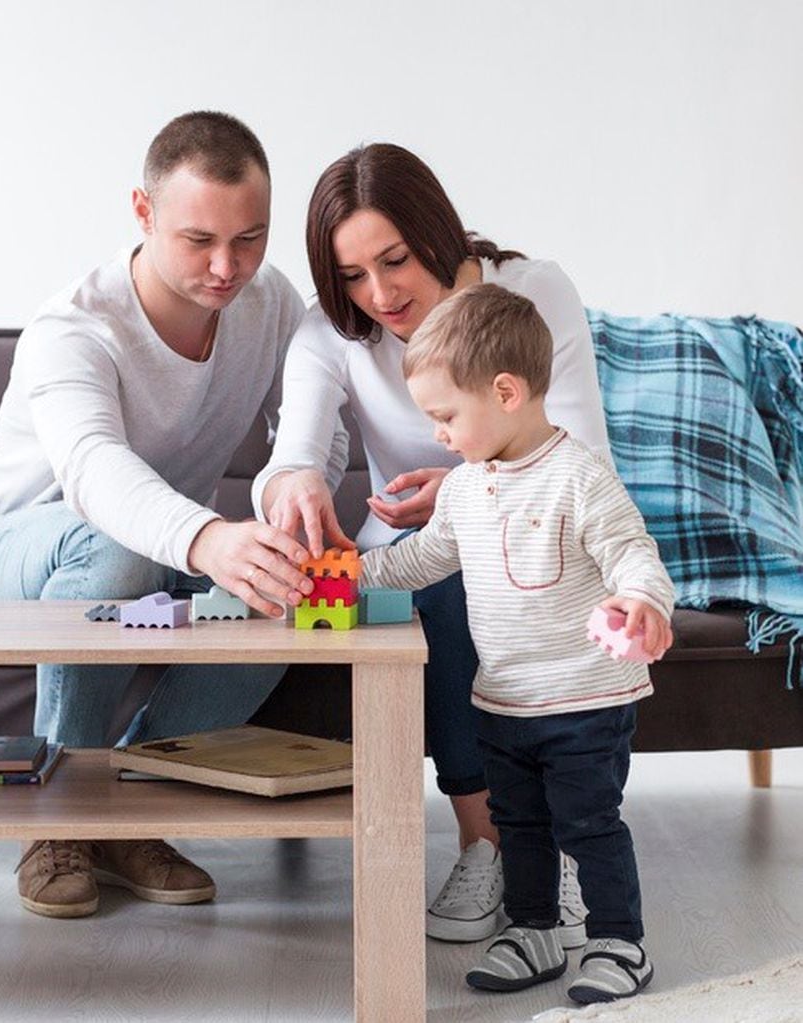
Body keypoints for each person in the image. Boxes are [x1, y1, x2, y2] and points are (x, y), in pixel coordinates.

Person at [0, 111, 346, 919]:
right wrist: (208, 536)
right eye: (198, 240)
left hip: (148, 548)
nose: (226, 266)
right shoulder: (74, 327)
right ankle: (58, 817)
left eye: (249, 239)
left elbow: (312, 430)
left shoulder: (268, 306)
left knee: (285, 592)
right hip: (12, 553)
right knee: (113, 548)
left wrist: (284, 500)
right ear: (142, 212)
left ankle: (133, 805)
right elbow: (94, 475)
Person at [253, 143, 613, 945]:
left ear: (436, 232)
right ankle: (489, 841)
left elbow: (582, 452)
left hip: (540, 532)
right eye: (350, 274)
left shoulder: (531, 294)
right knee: (434, 585)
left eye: (394, 259)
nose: (378, 293)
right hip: (419, 553)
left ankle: (537, 838)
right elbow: (289, 459)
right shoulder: (331, 335)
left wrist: (462, 489)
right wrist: (295, 488)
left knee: (469, 570)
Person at [361, 283, 674, 1003]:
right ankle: (532, 929)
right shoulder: (467, 487)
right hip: (502, 701)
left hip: (584, 698)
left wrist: (640, 601)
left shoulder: (579, 477)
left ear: (504, 391)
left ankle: (618, 941)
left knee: (587, 824)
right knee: (519, 825)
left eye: (445, 415)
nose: (437, 433)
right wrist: (349, 576)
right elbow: (422, 559)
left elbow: (633, 554)